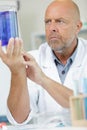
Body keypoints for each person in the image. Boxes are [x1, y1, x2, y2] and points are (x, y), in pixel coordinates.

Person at [0, 0, 87, 125]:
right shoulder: (33, 59)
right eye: (47, 22)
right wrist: (16, 73)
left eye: (60, 21)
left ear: (77, 27)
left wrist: (42, 79)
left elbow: (85, 108)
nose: (52, 28)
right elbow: (18, 119)